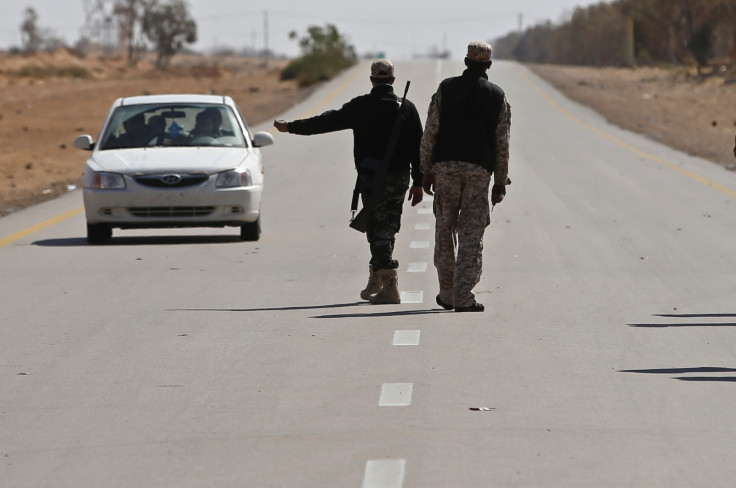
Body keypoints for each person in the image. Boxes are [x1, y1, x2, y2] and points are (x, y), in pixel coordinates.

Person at [274, 59, 424, 304]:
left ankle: (390, 284)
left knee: (378, 230)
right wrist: (418, 181)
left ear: (372, 80)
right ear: (393, 81)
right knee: (387, 228)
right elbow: (419, 147)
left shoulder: (361, 105)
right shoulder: (407, 107)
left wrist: (291, 127)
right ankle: (377, 277)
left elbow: (326, 121)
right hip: (399, 178)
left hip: (371, 178)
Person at [420, 41, 511, 312]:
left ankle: (447, 294)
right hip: (478, 172)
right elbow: (502, 143)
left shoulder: (446, 89)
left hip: (445, 169)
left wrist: (426, 170)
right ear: (489, 66)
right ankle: (464, 296)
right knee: (471, 233)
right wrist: (499, 181)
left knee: (444, 231)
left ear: (465, 62)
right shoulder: (497, 95)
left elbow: (430, 132)